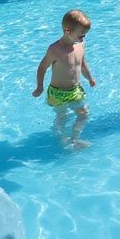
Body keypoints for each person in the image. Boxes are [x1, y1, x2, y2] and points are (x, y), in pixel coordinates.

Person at [32, 8, 96, 147]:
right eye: (81, 35)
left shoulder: (80, 45)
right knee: (62, 116)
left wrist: (90, 78)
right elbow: (42, 67)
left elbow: (82, 64)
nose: (83, 39)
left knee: (84, 114)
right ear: (67, 31)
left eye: (84, 35)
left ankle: (74, 138)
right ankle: (62, 138)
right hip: (58, 93)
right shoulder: (55, 49)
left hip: (75, 90)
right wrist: (39, 86)